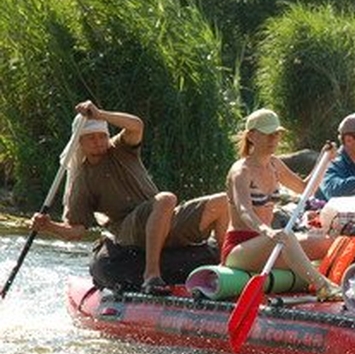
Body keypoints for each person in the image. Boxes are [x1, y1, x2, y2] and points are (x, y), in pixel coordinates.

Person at [30, 100, 229, 295]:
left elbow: (136, 125)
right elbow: (76, 231)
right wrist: (48, 226)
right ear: (79, 142)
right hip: (128, 229)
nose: (99, 142)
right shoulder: (82, 180)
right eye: (91, 138)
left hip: (161, 218)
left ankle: (225, 272)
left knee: (223, 201)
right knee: (166, 198)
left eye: (102, 136)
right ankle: (151, 275)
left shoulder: (121, 149)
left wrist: (100, 114)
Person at [222, 108, 342, 301]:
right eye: (268, 134)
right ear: (251, 136)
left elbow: (305, 189)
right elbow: (244, 210)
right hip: (239, 249)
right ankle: (322, 286)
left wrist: (324, 160)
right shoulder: (240, 171)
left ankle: (341, 282)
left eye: (276, 134)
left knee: (327, 242)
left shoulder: (275, 164)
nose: (273, 139)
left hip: (270, 244)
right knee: (286, 235)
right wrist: (267, 231)